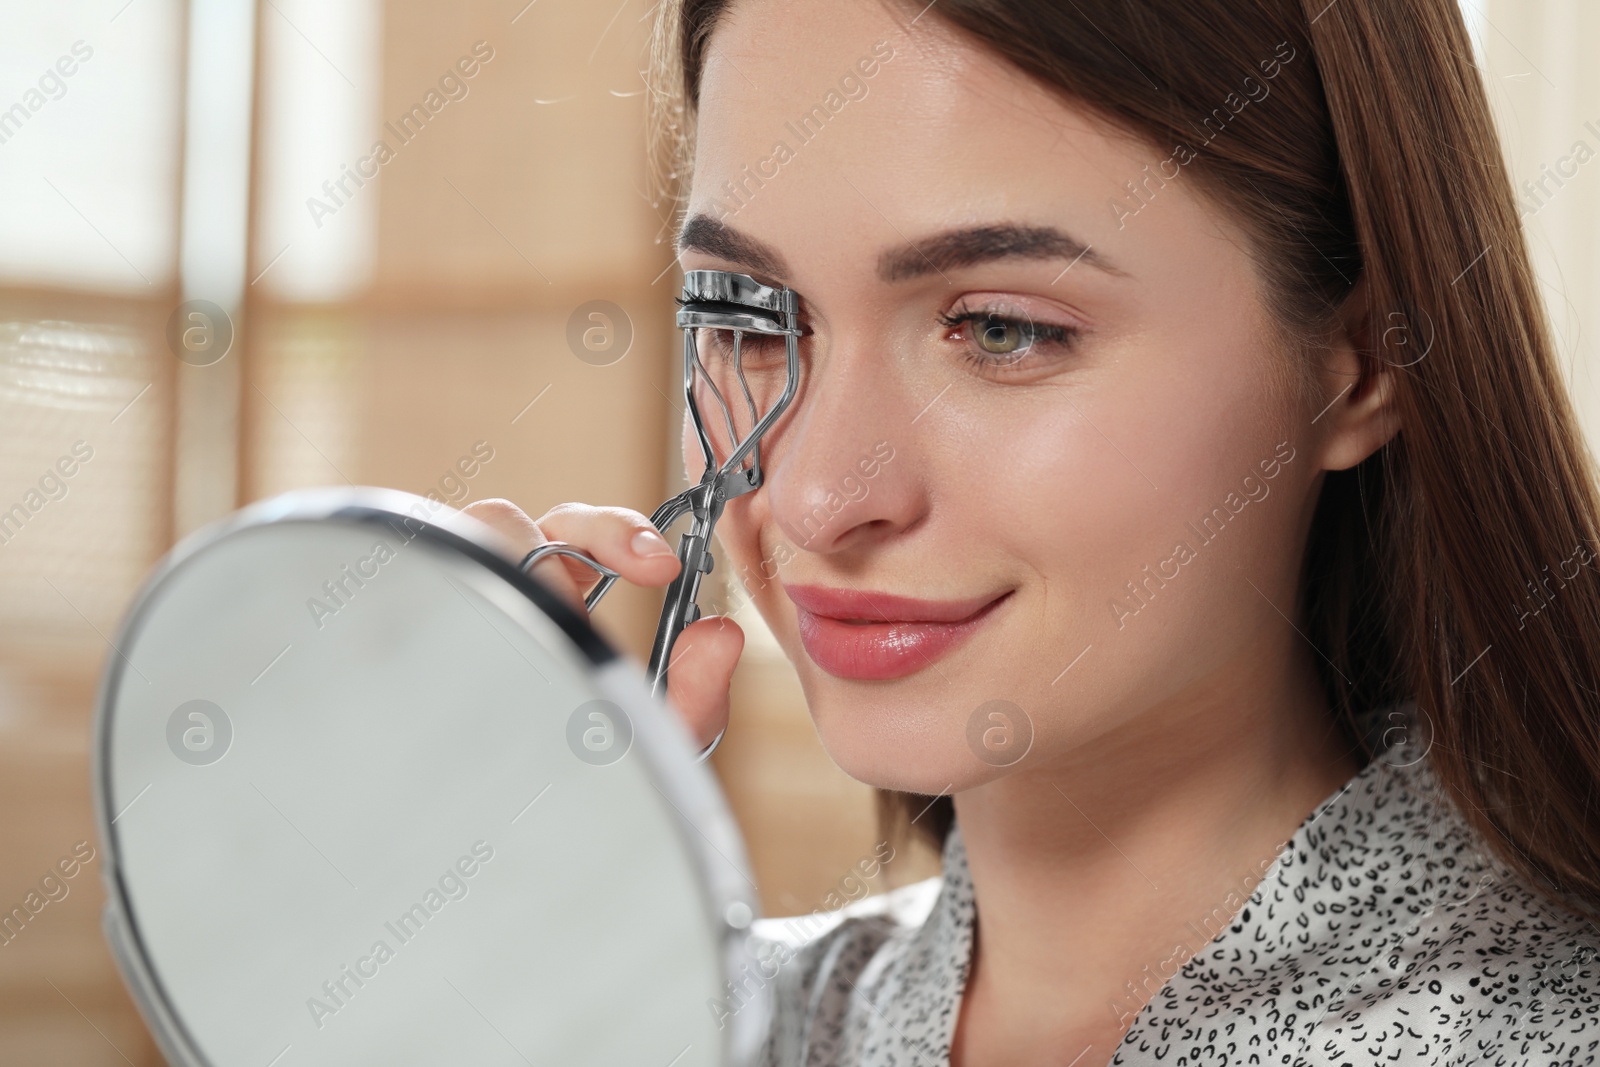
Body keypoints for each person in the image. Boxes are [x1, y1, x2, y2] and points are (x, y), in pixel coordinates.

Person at [467, 0, 1600, 1062]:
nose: (813, 496)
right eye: (749, 314)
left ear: (1360, 365)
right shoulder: (671, 1022)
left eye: (1002, 327)